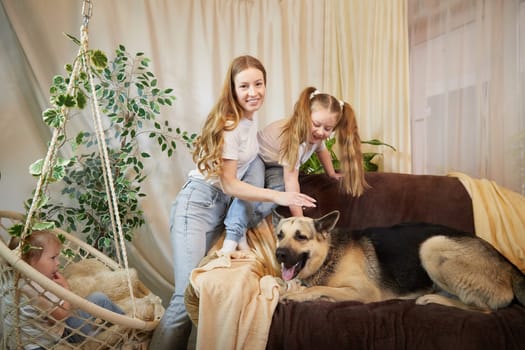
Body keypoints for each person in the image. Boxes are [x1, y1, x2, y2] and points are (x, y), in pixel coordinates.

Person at [149, 55, 316, 350]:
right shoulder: (231, 124)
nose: (253, 92)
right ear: (233, 89)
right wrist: (279, 196)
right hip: (198, 205)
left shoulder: (250, 122)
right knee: (183, 293)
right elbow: (228, 182)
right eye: (244, 86)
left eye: (258, 84)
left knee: (201, 293)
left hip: (220, 207)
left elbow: (253, 172)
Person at [227, 86, 369, 245]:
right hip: (257, 157)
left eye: (328, 129)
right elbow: (291, 181)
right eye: (316, 124)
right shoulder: (295, 140)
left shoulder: (317, 138)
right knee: (255, 186)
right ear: (305, 116)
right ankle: (235, 229)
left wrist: (331, 174)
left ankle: (247, 223)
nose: (321, 132)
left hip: (276, 164)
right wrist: (299, 219)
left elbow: (322, 152)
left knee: (278, 193)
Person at [4, 230, 125, 349]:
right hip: (58, 337)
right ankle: (127, 324)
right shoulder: (37, 288)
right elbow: (62, 315)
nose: (58, 263)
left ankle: (104, 328)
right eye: (53, 258)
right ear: (28, 262)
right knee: (100, 298)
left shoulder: (11, 278)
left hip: (16, 338)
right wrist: (65, 288)